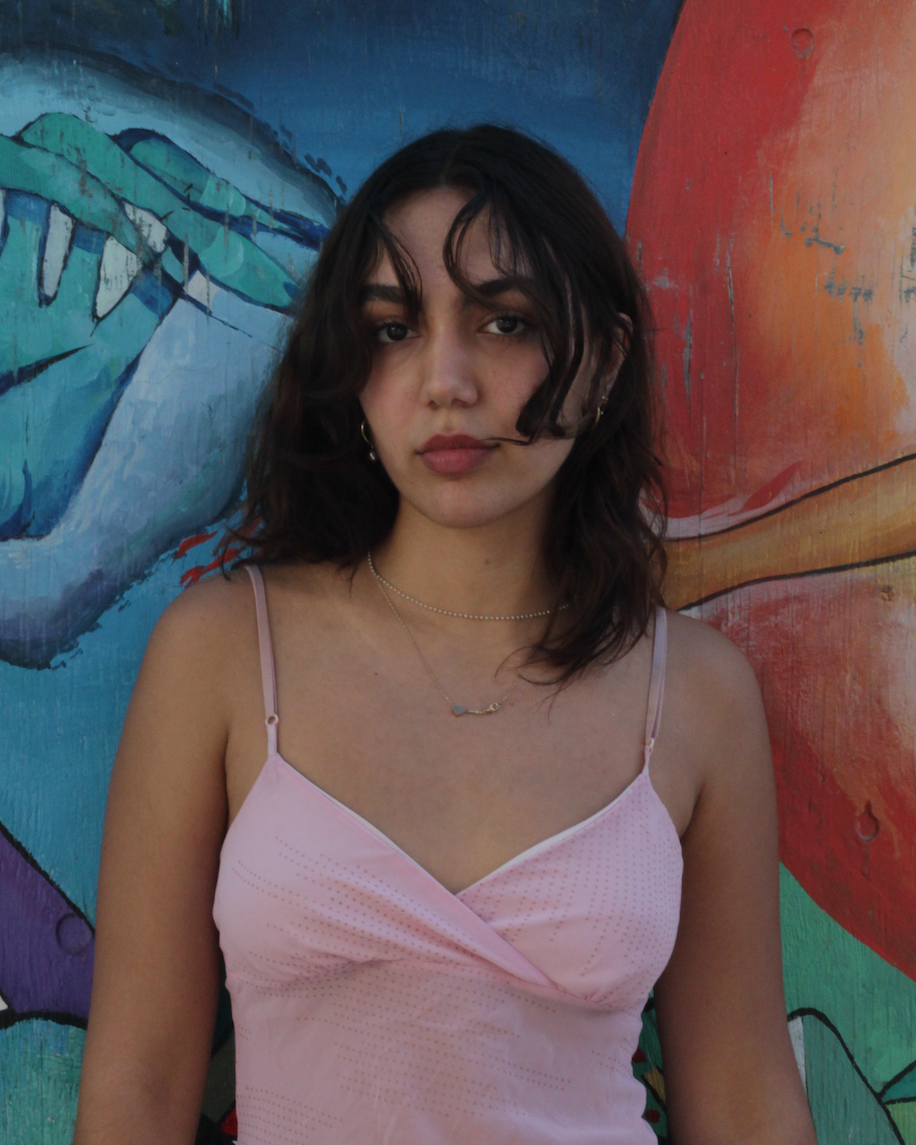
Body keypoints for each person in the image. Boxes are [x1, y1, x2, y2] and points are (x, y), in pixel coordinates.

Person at [73, 125, 817, 1145]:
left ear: (600, 362)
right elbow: (135, 1092)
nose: (444, 379)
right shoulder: (224, 654)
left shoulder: (689, 691)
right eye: (391, 328)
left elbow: (743, 1098)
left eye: (504, 322)